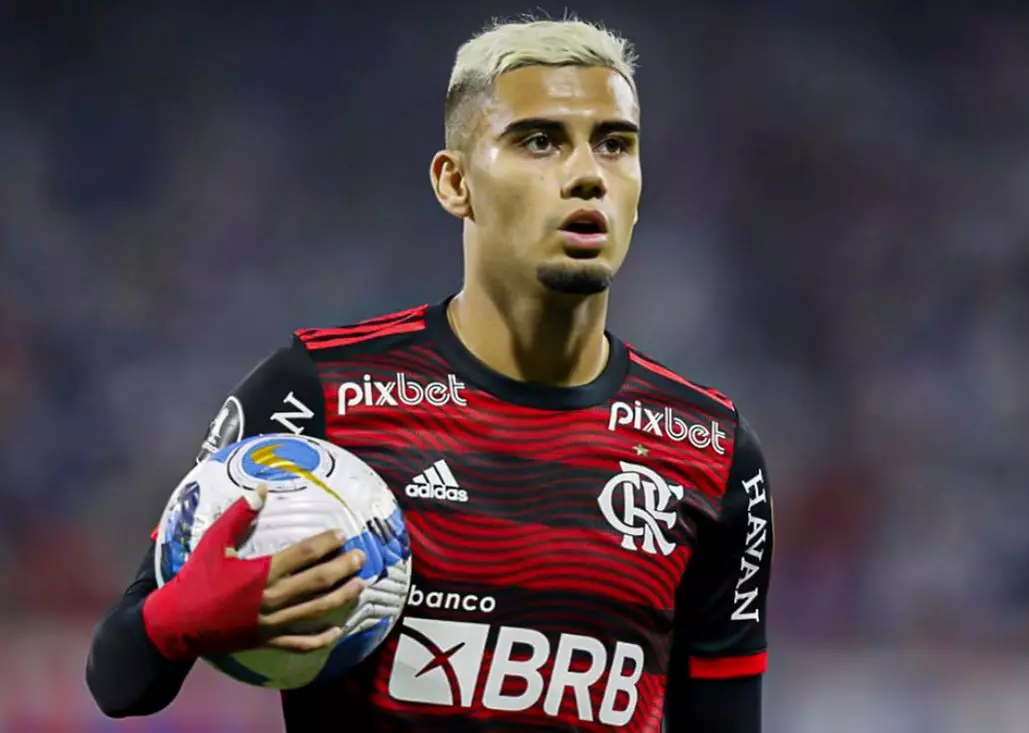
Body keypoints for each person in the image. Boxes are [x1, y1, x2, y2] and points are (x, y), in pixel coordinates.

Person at [85, 16, 773, 732]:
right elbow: (118, 679)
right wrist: (174, 619)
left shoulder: (714, 451)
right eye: (539, 141)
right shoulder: (316, 394)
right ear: (455, 182)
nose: (586, 174)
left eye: (615, 144)